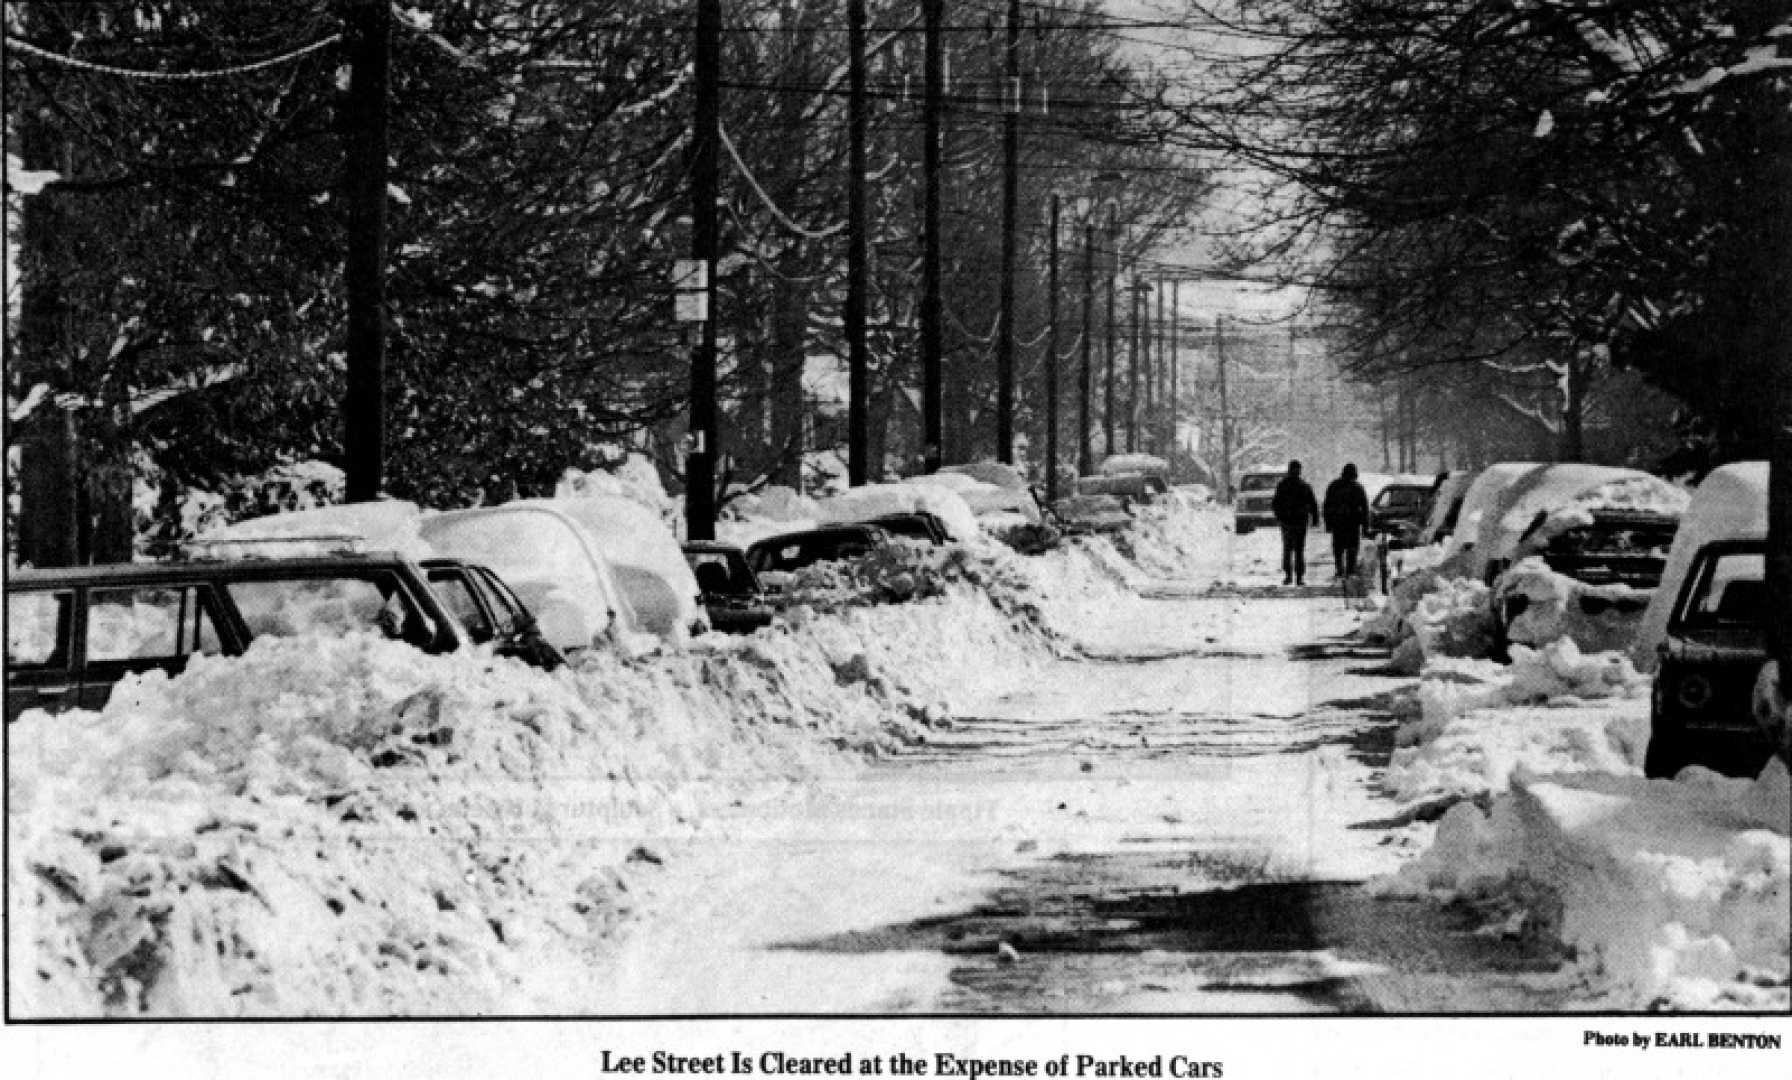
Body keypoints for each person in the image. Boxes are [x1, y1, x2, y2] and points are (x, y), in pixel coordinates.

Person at [1271, 459, 1319, 586]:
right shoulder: (1304, 486)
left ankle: (1288, 576)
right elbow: (1313, 504)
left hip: (1287, 522)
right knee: (1299, 549)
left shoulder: (1282, 485)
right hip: (1300, 522)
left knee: (1287, 549)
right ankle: (1299, 577)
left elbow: (1275, 504)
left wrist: (1279, 517)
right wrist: (1314, 519)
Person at [1323, 462, 1371, 580]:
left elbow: (1327, 506)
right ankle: (1350, 570)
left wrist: (1328, 522)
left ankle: (1340, 569)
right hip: (1352, 523)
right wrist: (1365, 525)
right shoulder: (1358, 488)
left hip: (1338, 523)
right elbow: (1364, 508)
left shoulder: (1334, 486)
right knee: (1352, 548)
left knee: (1338, 548)